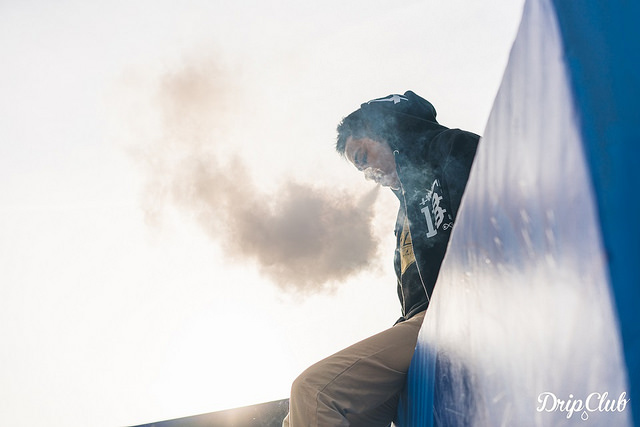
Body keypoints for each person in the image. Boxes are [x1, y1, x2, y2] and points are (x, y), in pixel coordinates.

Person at [282, 91, 479, 427]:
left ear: (387, 130)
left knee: (313, 392)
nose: (367, 173)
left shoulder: (450, 148)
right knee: (295, 420)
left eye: (363, 156)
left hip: (453, 313)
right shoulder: (405, 212)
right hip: (419, 330)